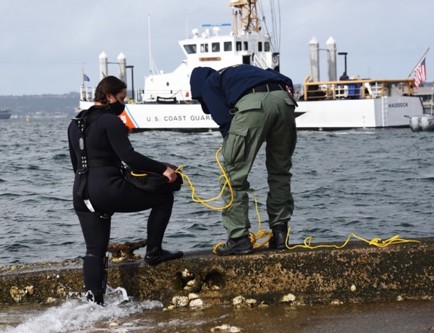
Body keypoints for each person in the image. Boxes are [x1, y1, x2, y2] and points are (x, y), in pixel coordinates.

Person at [68, 76, 183, 305]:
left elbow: (75, 163)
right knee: (164, 197)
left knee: (94, 251)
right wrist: (164, 169)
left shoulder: (75, 123)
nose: (124, 103)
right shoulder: (111, 121)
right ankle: (154, 251)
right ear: (109, 96)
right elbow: (129, 157)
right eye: (121, 98)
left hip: (81, 193)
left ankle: (94, 304)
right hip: (108, 189)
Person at [190, 64, 297, 256]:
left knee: (232, 177)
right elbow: (284, 78)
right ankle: (280, 235)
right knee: (280, 171)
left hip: (253, 105)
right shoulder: (242, 72)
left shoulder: (209, 84)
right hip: (284, 101)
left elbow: (225, 122)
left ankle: (238, 238)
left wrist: (232, 146)